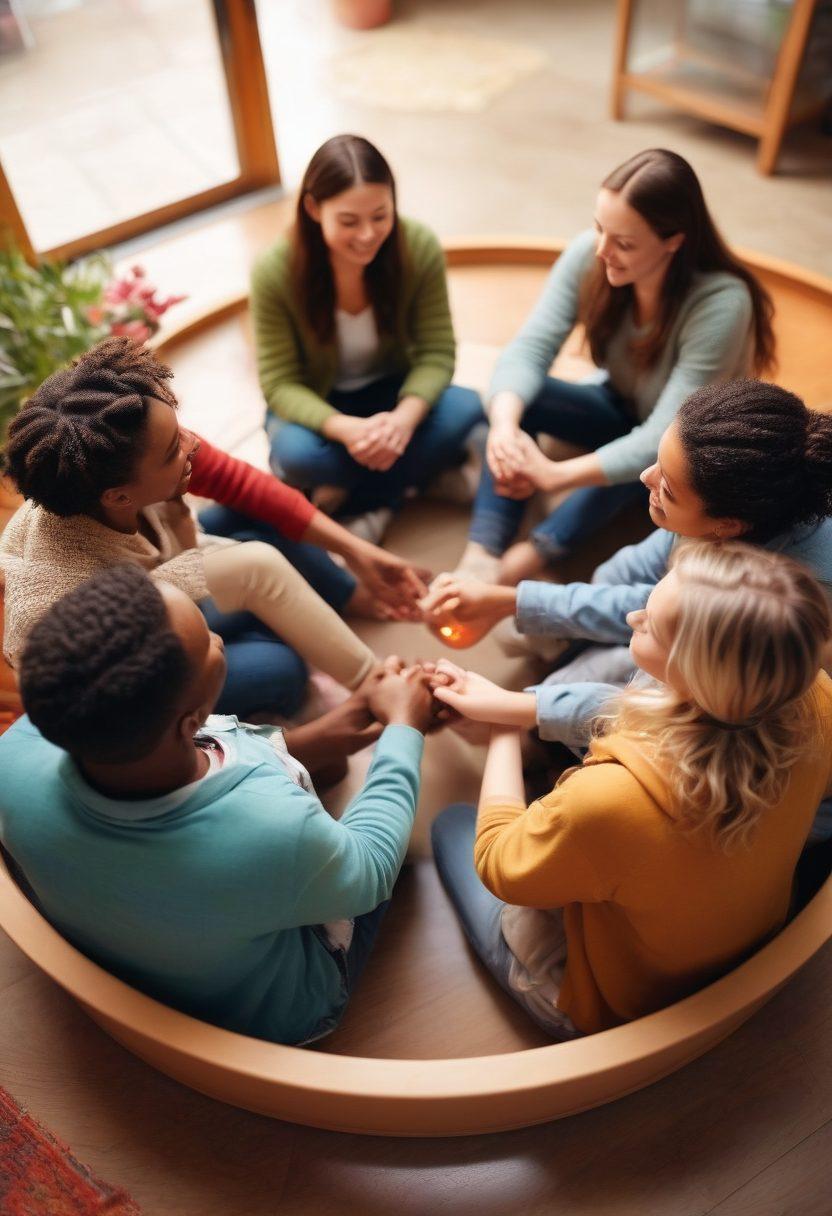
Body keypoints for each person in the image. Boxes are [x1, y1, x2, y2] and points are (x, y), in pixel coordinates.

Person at [0, 565, 437, 1045]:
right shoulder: (273, 828)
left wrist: (320, 736)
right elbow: (370, 868)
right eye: (206, 641)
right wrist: (403, 728)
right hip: (275, 1013)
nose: (220, 640)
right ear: (189, 724)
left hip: (151, 950)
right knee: (406, 864)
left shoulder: (15, 755)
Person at [429, 542, 832, 1038]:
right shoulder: (815, 695)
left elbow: (498, 863)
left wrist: (503, 729)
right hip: (749, 939)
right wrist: (519, 707)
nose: (634, 615)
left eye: (653, 626)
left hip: (623, 1000)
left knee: (451, 825)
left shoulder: (612, 801)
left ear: (697, 675)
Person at [0, 338, 417, 724]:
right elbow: (105, 712)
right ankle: (376, 684)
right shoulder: (57, 602)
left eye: (180, 431)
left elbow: (247, 488)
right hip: (134, 672)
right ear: (119, 497)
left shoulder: (119, 465)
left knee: (248, 518)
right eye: (172, 451)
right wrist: (372, 681)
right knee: (280, 667)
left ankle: (341, 594)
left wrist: (359, 551)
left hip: (160, 584)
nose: (191, 446)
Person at [421, 380, 832, 756]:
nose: (643, 476)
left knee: (565, 690)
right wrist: (522, 606)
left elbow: (669, 713)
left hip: (717, 702)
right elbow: (636, 576)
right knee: (552, 639)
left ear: (726, 528)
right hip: (694, 647)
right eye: (657, 460)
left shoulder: (781, 601)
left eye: (667, 487)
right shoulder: (727, 514)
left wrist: (526, 706)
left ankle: (538, 748)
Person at [455, 147, 775, 585]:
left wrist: (553, 475)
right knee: (509, 400)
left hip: (688, 445)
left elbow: (666, 431)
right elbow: (529, 348)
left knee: (650, 465)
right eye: (599, 228)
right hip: (619, 403)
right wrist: (505, 427)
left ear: (674, 240)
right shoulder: (590, 254)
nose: (602, 251)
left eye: (624, 243)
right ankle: (485, 549)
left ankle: (528, 559)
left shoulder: (722, 303)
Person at [251, 133, 484, 542]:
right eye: (348, 221)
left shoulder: (418, 246)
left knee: (467, 408)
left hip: (393, 395)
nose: (367, 234)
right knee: (294, 457)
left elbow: (437, 351)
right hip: (322, 406)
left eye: (380, 215)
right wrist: (346, 430)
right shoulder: (275, 271)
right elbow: (279, 383)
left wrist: (403, 420)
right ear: (313, 208)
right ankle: (416, 482)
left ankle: (367, 499)